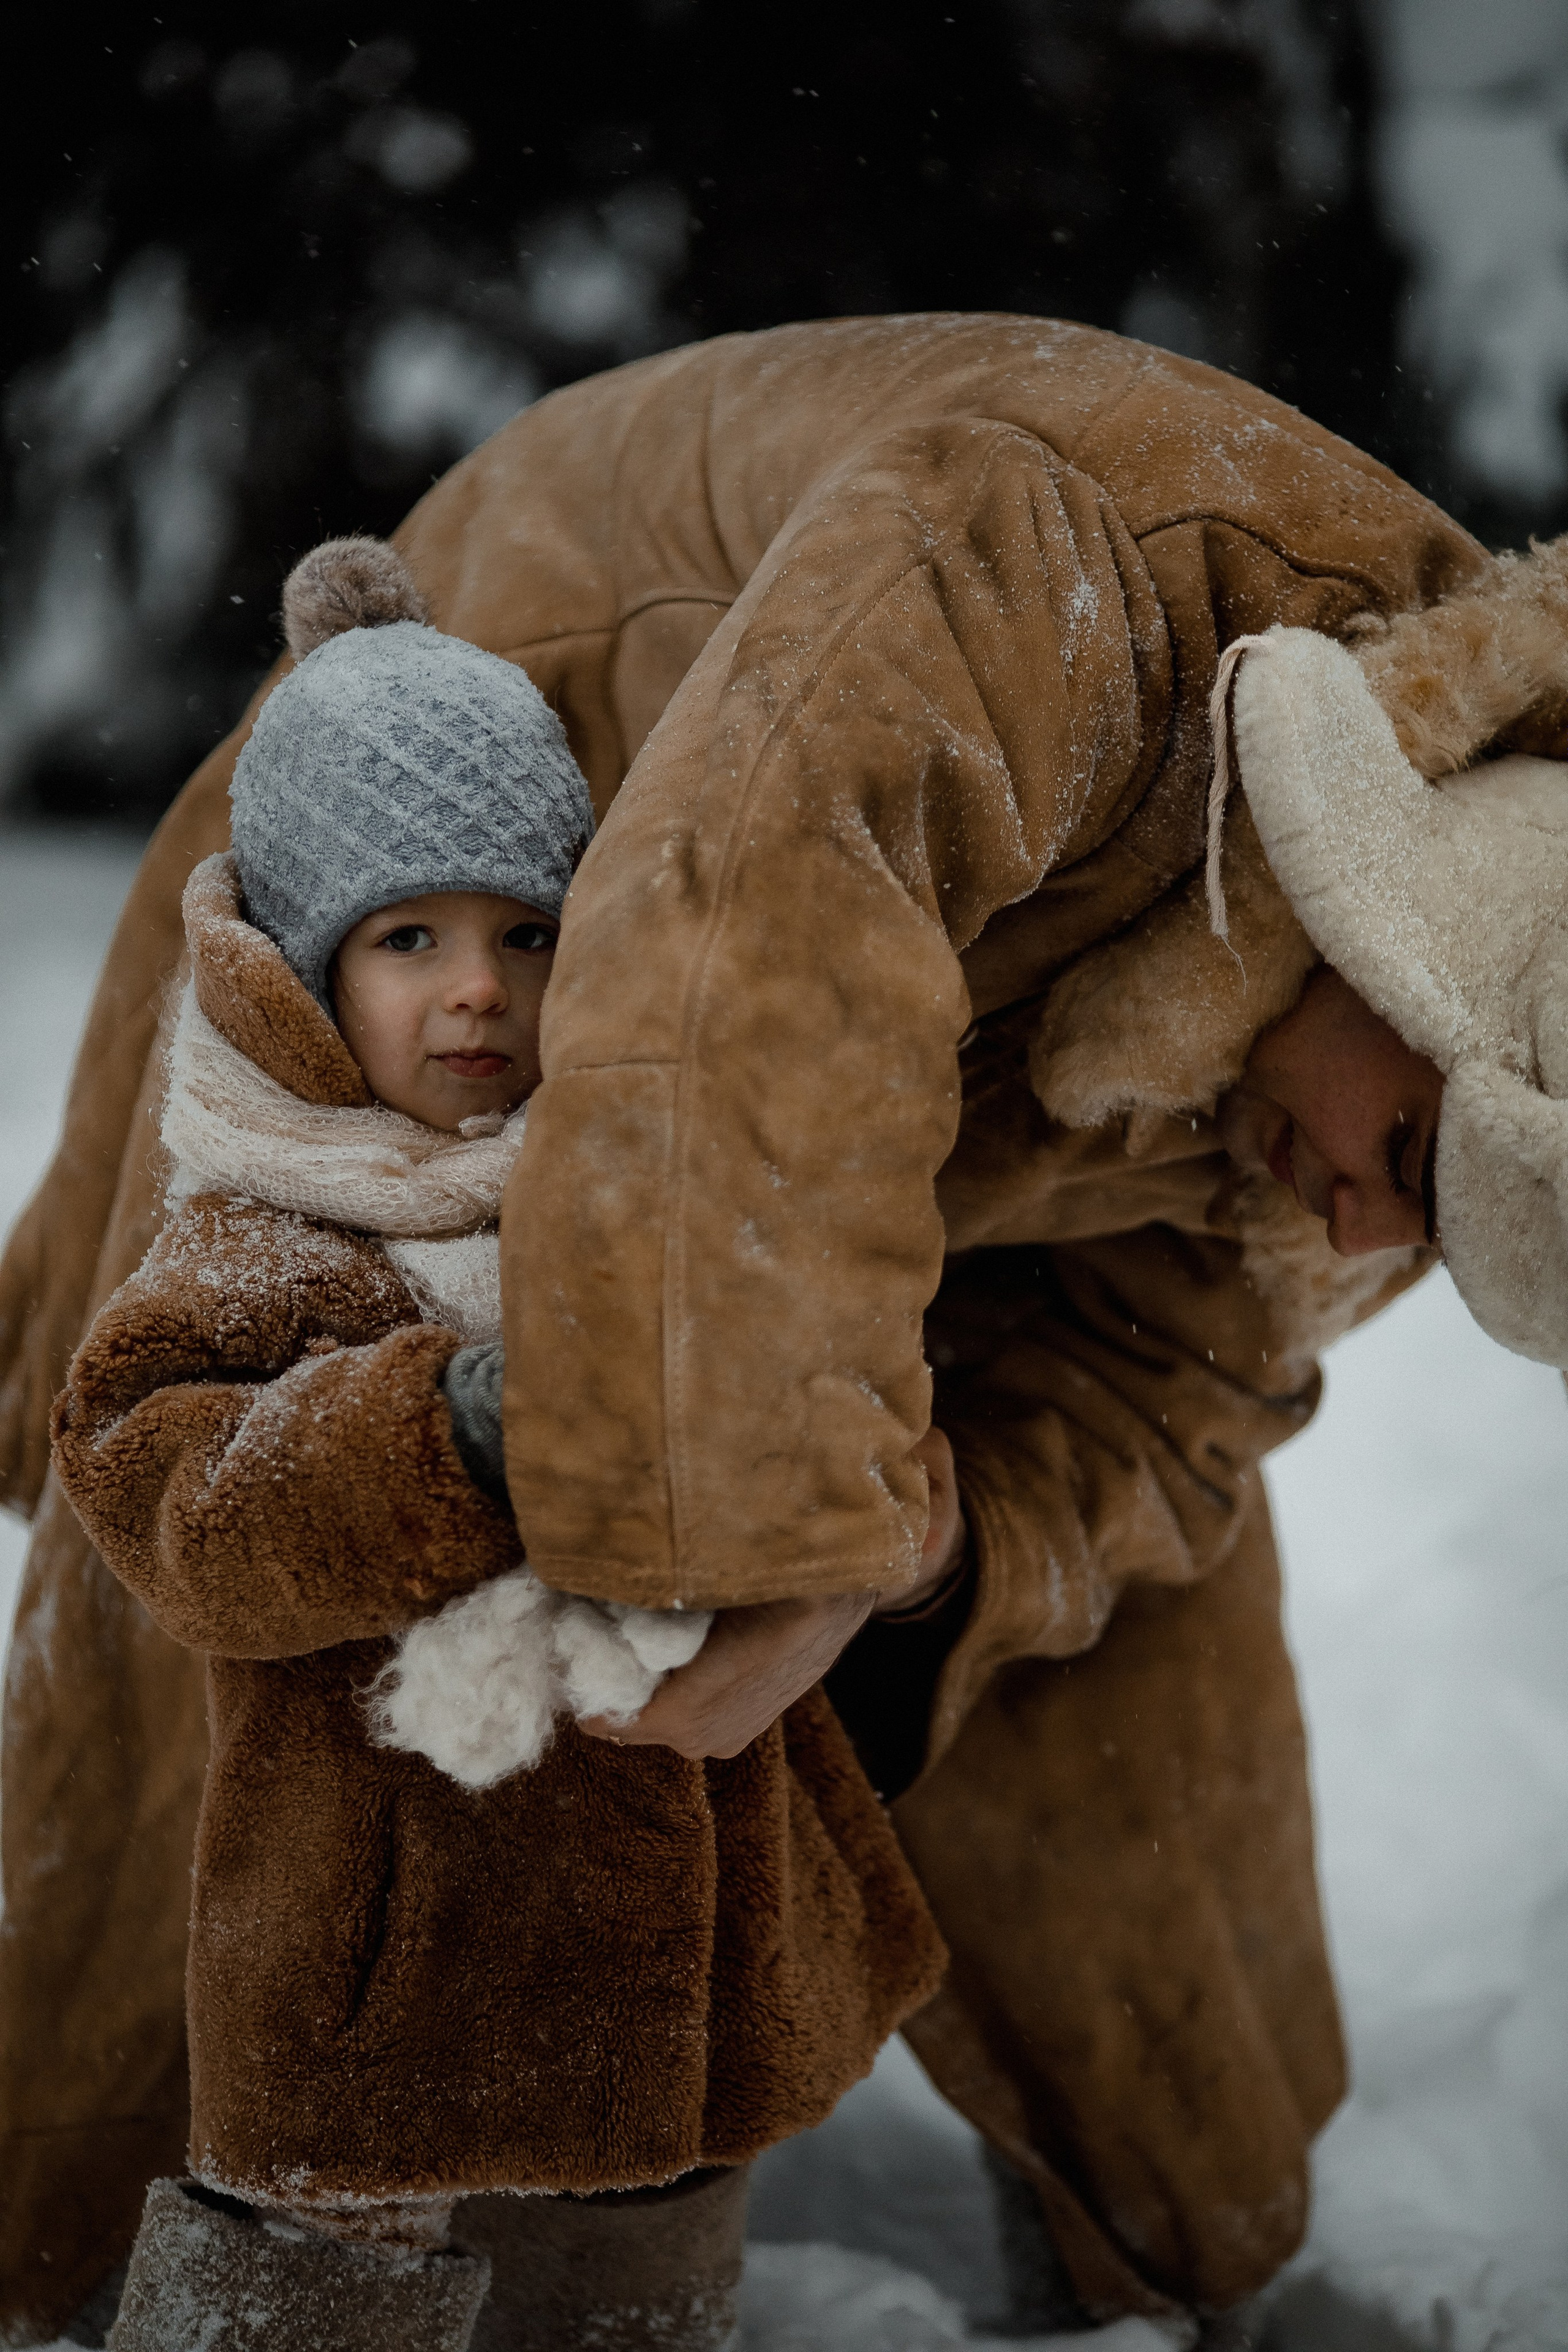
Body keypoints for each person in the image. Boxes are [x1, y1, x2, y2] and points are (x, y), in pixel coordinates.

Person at [2, 314, 1566, 2346]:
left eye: (1444, 1229)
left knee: (1111, 1677)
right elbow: (745, 946)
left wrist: (933, 1552)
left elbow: (1164, 1395)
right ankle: (66, 2244)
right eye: (1419, 1157)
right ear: (1413, 942)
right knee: (200, 1687)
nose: (1377, 1234)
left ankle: (1208, 2260)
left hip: (872, 1101)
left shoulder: (1343, 1120)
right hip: (484, 880)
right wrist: (771, 1531)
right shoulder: (1090, 546)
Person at [43, 537, 944, 2351]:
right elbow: (168, 1488)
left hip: (668, 1917)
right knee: (320, 2281)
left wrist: (867, 1508)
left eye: (527, 932)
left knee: (629, 2265)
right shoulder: (260, 1232)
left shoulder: (647, 1195)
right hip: (375, 1941)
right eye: (408, 939)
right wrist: (446, 1431)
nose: (477, 992)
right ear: (301, 971)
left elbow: (836, 1408)